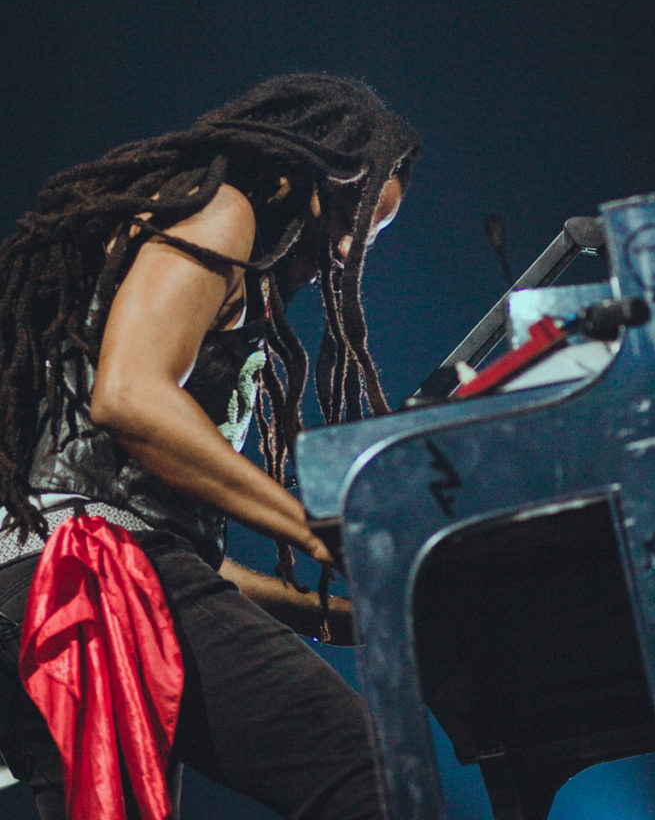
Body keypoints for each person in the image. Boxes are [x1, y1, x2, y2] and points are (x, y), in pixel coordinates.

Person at [0, 73, 421, 819]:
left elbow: (172, 548)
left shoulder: (231, 273)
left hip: (41, 584)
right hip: (84, 584)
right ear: (295, 173)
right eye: (354, 215)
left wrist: (345, 615)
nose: (352, 247)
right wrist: (322, 531)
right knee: (367, 771)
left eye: (377, 236)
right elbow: (131, 397)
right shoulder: (219, 212)